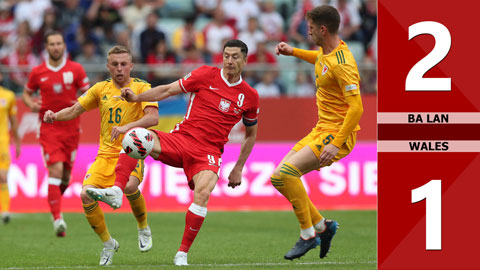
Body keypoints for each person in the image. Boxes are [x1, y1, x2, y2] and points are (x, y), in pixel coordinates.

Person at [87, 39, 259, 266]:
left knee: (203, 194)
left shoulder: (250, 96)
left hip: (208, 153)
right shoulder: (205, 74)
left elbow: (250, 135)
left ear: (245, 60)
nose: (229, 61)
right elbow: (168, 89)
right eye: (226, 55)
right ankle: (117, 191)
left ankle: (182, 254)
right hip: (181, 139)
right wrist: (138, 98)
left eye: (235, 56)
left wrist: (238, 168)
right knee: (136, 136)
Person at [43, 45, 159, 266]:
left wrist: (128, 128)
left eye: (124, 64)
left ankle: (143, 227)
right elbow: (75, 109)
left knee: (129, 187)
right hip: (104, 155)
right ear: (108, 67)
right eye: (114, 64)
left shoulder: (142, 88)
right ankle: (108, 244)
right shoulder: (100, 89)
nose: (119, 68)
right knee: (85, 195)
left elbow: (152, 118)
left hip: (131, 152)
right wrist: (54, 116)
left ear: (131, 66)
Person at [273, 5, 363, 260]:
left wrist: (335, 143)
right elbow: (321, 61)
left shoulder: (343, 63)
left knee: (288, 173)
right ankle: (324, 227)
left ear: (322, 29)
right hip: (320, 129)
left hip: (336, 134)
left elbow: (357, 107)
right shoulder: (327, 53)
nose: (308, 31)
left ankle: (308, 235)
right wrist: (293, 52)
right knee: (278, 178)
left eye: (311, 28)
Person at [22, 31, 90, 237]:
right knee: (56, 170)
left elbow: (87, 93)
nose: (55, 47)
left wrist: (79, 103)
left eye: (59, 43)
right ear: (46, 47)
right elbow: (26, 93)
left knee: (66, 176)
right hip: (49, 128)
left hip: (71, 129)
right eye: (51, 44)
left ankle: (54, 205)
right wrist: (31, 105)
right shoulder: (38, 72)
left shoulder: (76, 69)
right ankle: (57, 218)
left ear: (63, 46)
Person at [0, 73, 20, 224]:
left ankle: (5, 211)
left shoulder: (8, 96)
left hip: (2, 143)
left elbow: (13, 121)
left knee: (2, 176)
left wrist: (18, 142)